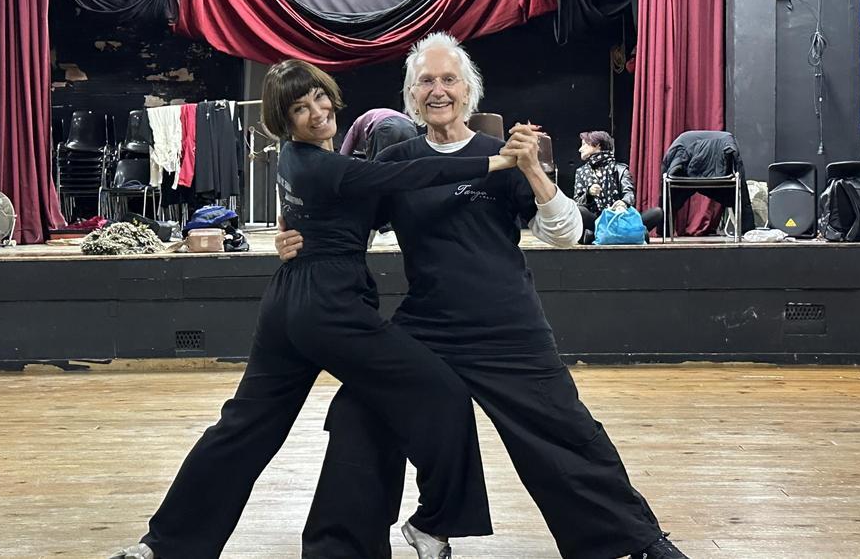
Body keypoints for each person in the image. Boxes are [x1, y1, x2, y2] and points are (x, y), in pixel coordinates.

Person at [276, 33, 688, 559]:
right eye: (427, 80)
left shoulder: (502, 154)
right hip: (427, 325)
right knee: (360, 412)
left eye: (449, 79)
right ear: (412, 94)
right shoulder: (397, 163)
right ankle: (342, 548)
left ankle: (636, 542)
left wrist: (533, 168)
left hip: (506, 325)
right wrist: (294, 239)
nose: (438, 90)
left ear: (468, 91)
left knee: (565, 431)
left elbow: (564, 233)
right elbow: (343, 220)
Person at [109, 59, 522, 559]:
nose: (315, 112)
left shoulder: (298, 160)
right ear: (285, 122)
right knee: (443, 393)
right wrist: (498, 161)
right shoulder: (328, 166)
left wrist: (291, 234)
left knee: (244, 428)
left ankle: (164, 545)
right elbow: (415, 173)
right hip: (330, 307)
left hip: (288, 304)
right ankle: (434, 522)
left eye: (318, 99)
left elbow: (340, 202)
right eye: (299, 109)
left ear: (330, 95)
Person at [573, 130, 662, 244]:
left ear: (598, 145)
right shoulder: (581, 172)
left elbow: (629, 193)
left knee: (657, 212)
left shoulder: (620, 169)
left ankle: (596, 236)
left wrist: (623, 203)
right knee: (579, 211)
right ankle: (632, 234)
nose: (580, 149)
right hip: (596, 219)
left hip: (620, 217)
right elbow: (577, 202)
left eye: (584, 144)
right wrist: (589, 194)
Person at [338, 107, 420, 159]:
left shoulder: (356, 125)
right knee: (408, 163)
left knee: (377, 166)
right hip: (409, 126)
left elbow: (344, 153)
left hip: (386, 125)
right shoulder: (370, 116)